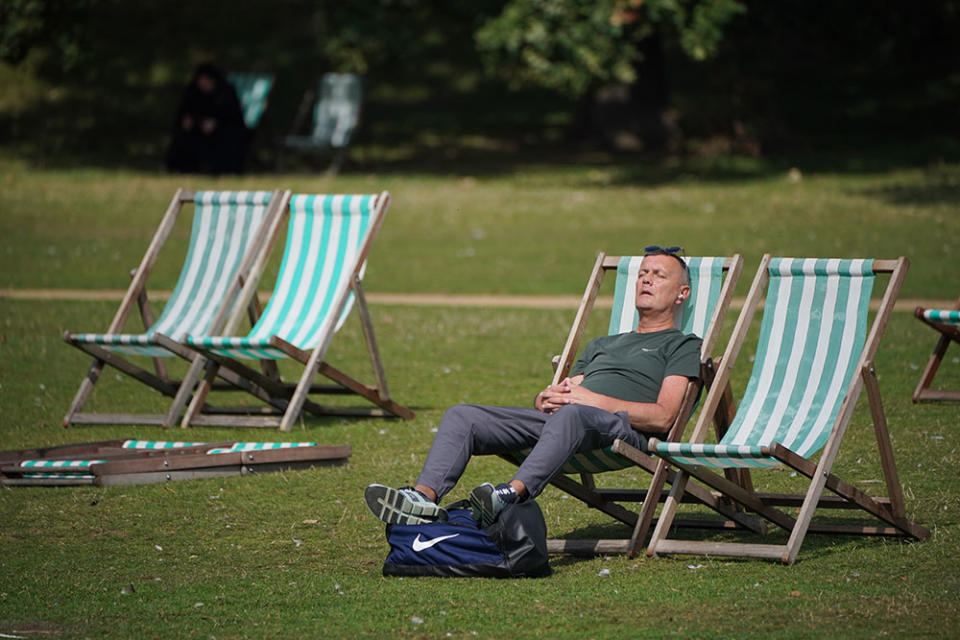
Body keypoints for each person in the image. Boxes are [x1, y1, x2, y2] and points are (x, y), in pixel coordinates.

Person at [365, 248, 701, 528]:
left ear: (681, 293)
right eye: (643, 273)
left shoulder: (682, 345)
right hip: (570, 422)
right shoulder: (603, 343)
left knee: (575, 415)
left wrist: (592, 401)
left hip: (621, 429)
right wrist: (546, 398)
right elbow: (573, 390)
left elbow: (664, 418)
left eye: (658, 275)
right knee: (462, 416)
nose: (646, 279)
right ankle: (422, 499)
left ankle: (510, 495)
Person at [165, 62, 248, 174]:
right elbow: (184, 112)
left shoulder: (225, 93)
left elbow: (234, 119)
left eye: (206, 80)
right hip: (196, 132)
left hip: (222, 132)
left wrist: (216, 124)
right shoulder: (192, 92)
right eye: (201, 80)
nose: (203, 83)